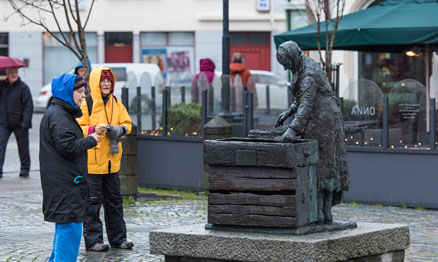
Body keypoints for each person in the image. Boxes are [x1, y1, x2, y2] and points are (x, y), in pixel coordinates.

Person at [275, 41, 349, 224]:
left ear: (293, 57)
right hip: (317, 120)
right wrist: (290, 111)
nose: (285, 67)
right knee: (319, 166)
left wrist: (292, 131)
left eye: (285, 63)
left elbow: (307, 104)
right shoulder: (301, 65)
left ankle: (323, 215)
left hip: (324, 123)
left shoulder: (308, 73)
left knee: (323, 166)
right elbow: (303, 98)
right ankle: (318, 214)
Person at [39, 74, 100, 262]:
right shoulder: (59, 116)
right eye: (80, 92)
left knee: (65, 229)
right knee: (69, 230)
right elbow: (68, 147)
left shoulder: (60, 113)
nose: (83, 96)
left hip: (64, 184)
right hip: (66, 186)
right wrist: (92, 140)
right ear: (67, 93)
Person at [76, 67, 133, 252]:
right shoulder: (87, 103)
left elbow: (127, 124)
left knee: (115, 202)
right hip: (92, 164)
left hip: (111, 162)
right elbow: (77, 128)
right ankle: (93, 242)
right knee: (92, 205)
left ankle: (118, 239)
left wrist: (120, 130)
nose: (106, 84)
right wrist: (94, 130)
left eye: (109, 81)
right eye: (103, 81)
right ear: (96, 83)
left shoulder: (116, 102)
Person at [0, 66, 33, 178]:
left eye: (15, 72)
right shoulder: (1, 86)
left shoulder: (24, 88)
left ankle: (25, 169)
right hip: (4, 123)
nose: (14, 74)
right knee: (0, 146)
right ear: (7, 74)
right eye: (11, 72)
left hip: (20, 124)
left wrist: (25, 123)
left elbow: (29, 106)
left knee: (23, 148)